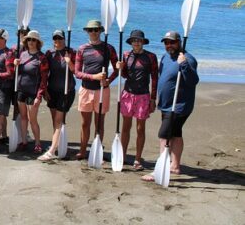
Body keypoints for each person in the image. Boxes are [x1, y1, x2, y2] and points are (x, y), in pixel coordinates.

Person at [142, 31, 198, 181]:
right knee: (176, 134)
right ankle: (175, 166)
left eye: (172, 42)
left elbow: (193, 81)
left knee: (164, 136)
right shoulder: (166, 57)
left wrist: (184, 64)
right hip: (167, 104)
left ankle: (160, 169)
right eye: (166, 43)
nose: (169, 45)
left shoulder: (188, 59)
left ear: (179, 42)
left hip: (179, 106)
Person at [74, 20, 118, 160]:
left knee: (99, 123)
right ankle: (82, 150)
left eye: (96, 30)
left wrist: (108, 80)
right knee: (85, 123)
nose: (93, 32)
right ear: (87, 31)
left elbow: (117, 70)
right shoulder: (82, 49)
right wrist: (94, 76)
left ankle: (96, 149)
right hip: (86, 90)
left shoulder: (109, 48)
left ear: (100, 31)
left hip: (102, 91)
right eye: (90, 30)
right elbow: (77, 72)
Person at [116, 30, 158, 170]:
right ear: (131, 42)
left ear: (143, 42)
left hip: (143, 96)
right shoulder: (126, 55)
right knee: (125, 127)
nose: (136, 42)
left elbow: (154, 78)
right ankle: (122, 155)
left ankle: (138, 159)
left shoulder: (151, 57)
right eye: (134, 40)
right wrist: (121, 69)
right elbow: (125, 76)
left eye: (139, 40)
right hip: (128, 94)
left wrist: (153, 98)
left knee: (140, 129)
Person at [38, 30, 76, 161]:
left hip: (66, 91)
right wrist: (45, 90)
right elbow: (45, 72)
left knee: (58, 121)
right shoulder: (49, 54)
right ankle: (57, 143)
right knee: (55, 120)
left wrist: (69, 62)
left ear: (64, 39)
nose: (57, 41)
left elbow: (76, 71)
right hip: (52, 90)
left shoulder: (71, 52)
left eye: (60, 38)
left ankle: (51, 151)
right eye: (55, 38)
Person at [14, 30, 49, 153]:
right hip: (21, 90)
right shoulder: (22, 54)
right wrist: (15, 65)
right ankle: (24, 142)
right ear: (26, 41)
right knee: (23, 117)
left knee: (32, 119)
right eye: (29, 39)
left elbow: (44, 80)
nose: (31, 42)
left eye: (34, 40)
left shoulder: (41, 57)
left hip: (33, 92)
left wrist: (38, 96)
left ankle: (37, 143)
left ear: (38, 42)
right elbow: (16, 72)